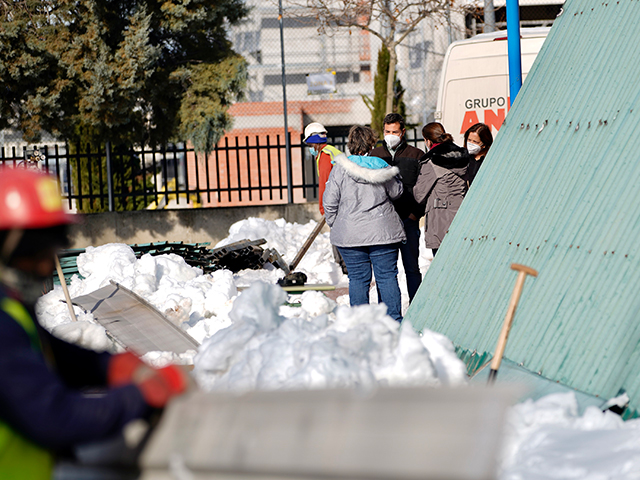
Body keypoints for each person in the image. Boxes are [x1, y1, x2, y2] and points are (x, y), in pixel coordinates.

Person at [0, 168, 187, 479]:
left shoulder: (8, 308)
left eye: (51, 250)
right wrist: (139, 396)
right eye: (32, 253)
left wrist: (106, 367)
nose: (46, 266)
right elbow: (54, 417)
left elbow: (39, 350)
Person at [323, 125, 406, 322]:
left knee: (358, 278)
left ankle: (361, 323)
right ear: (371, 143)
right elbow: (397, 193)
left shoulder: (339, 170)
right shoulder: (382, 167)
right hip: (382, 231)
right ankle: (393, 321)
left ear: (350, 144)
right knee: (386, 277)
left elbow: (329, 202)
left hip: (350, 234)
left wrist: (337, 224)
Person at [369, 113, 424, 303]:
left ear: (403, 132)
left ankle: (416, 307)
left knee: (412, 268)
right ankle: (387, 312)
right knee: (385, 273)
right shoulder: (375, 155)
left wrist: (415, 214)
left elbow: (423, 188)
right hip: (383, 223)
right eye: (387, 131)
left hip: (408, 221)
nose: (390, 135)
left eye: (394, 131)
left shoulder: (416, 155)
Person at [413, 122, 470, 257]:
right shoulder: (463, 157)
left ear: (427, 140)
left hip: (440, 221)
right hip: (462, 217)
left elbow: (419, 195)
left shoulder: (432, 162)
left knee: (443, 265)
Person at [303, 122, 348, 274]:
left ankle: (344, 268)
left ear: (315, 142)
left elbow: (325, 183)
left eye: (310, 144)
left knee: (338, 236)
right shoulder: (333, 151)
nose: (310, 148)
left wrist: (323, 207)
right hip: (344, 200)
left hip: (337, 203)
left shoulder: (325, 156)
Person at [464, 123, 494, 187]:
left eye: (475, 142)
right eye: (469, 140)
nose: (471, 144)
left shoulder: (490, 160)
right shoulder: (464, 158)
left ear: (484, 144)